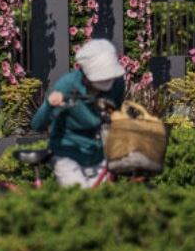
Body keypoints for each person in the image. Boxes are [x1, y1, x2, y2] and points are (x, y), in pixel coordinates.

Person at [30, 39, 127, 189]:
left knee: (103, 204)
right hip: (68, 153)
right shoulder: (67, 86)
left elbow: (115, 113)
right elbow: (37, 124)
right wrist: (49, 105)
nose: (108, 82)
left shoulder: (117, 83)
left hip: (99, 153)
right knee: (80, 201)